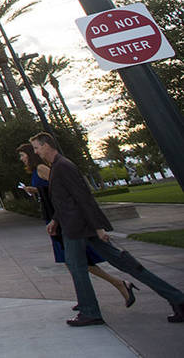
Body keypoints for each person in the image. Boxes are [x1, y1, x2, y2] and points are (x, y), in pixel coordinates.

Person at [30, 132, 184, 326]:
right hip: (76, 226)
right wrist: (55, 220)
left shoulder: (63, 166)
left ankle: (90, 312)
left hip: (78, 229)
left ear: (46, 145)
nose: (35, 152)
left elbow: (83, 197)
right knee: (121, 263)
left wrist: (98, 227)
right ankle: (177, 298)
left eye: (36, 147)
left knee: (78, 268)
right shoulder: (58, 167)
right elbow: (65, 201)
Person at [17, 143, 135, 306]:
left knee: (77, 260)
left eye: (23, 155)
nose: (22, 159)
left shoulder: (42, 168)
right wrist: (35, 191)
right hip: (55, 217)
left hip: (60, 218)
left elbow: (60, 188)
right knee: (71, 261)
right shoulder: (38, 170)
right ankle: (86, 296)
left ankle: (118, 284)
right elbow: (50, 189)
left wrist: (56, 217)